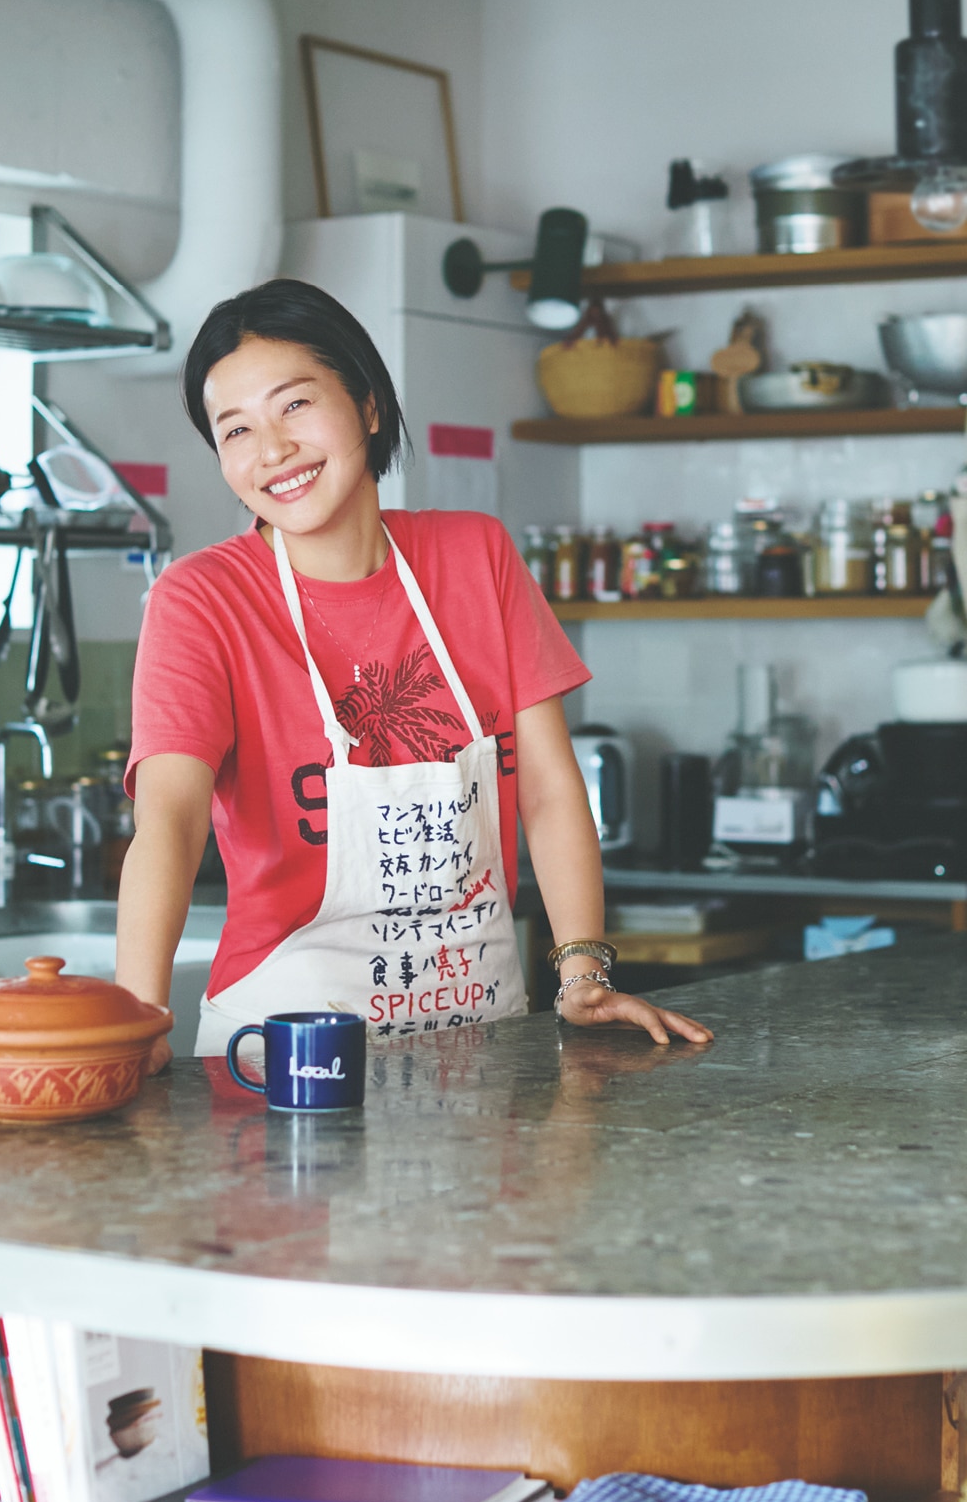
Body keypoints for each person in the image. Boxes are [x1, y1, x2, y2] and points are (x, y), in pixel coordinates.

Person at [116, 279, 713, 1069]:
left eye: (295, 405)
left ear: (367, 404)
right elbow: (170, 820)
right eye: (235, 430)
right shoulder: (201, 598)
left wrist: (583, 976)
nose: (272, 450)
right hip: (286, 1058)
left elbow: (546, 785)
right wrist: (137, 1019)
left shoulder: (476, 556)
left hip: (479, 1045)